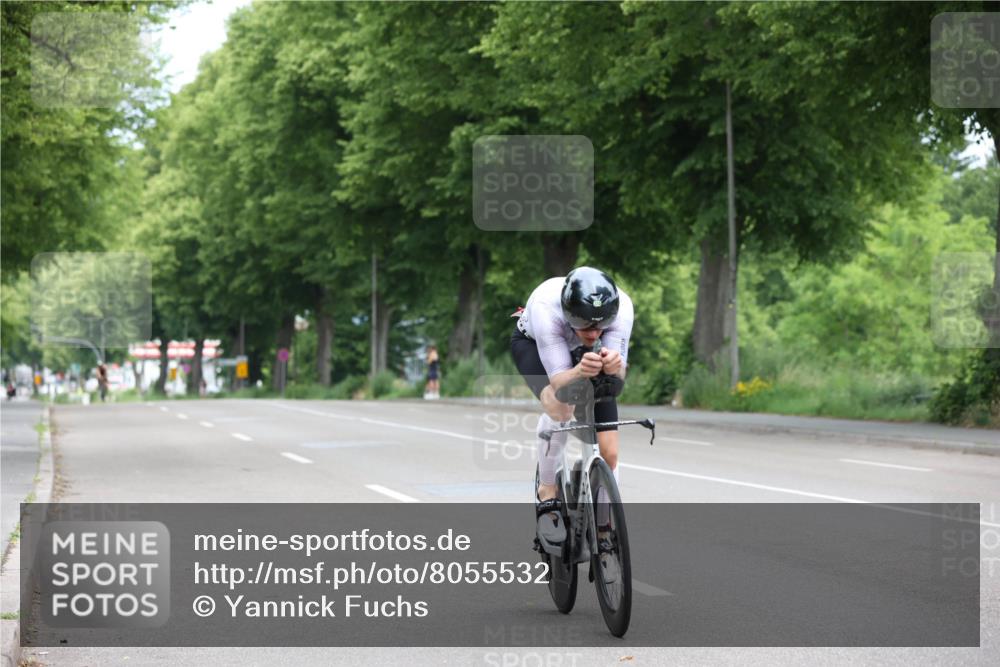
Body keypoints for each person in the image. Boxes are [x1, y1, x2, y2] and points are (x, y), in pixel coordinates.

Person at [510, 266, 634, 543]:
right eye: (586, 325)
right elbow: (559, 383)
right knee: (560, 407)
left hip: (583, 356)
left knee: (610, 452)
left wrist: (616, 367)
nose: (594, 333)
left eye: (601, 325)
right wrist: (579, 372)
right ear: (569, 314)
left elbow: (618, 375)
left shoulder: (622, 307)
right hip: (535, 345)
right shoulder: (546, 309)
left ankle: (603, 526)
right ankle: (548, 490)